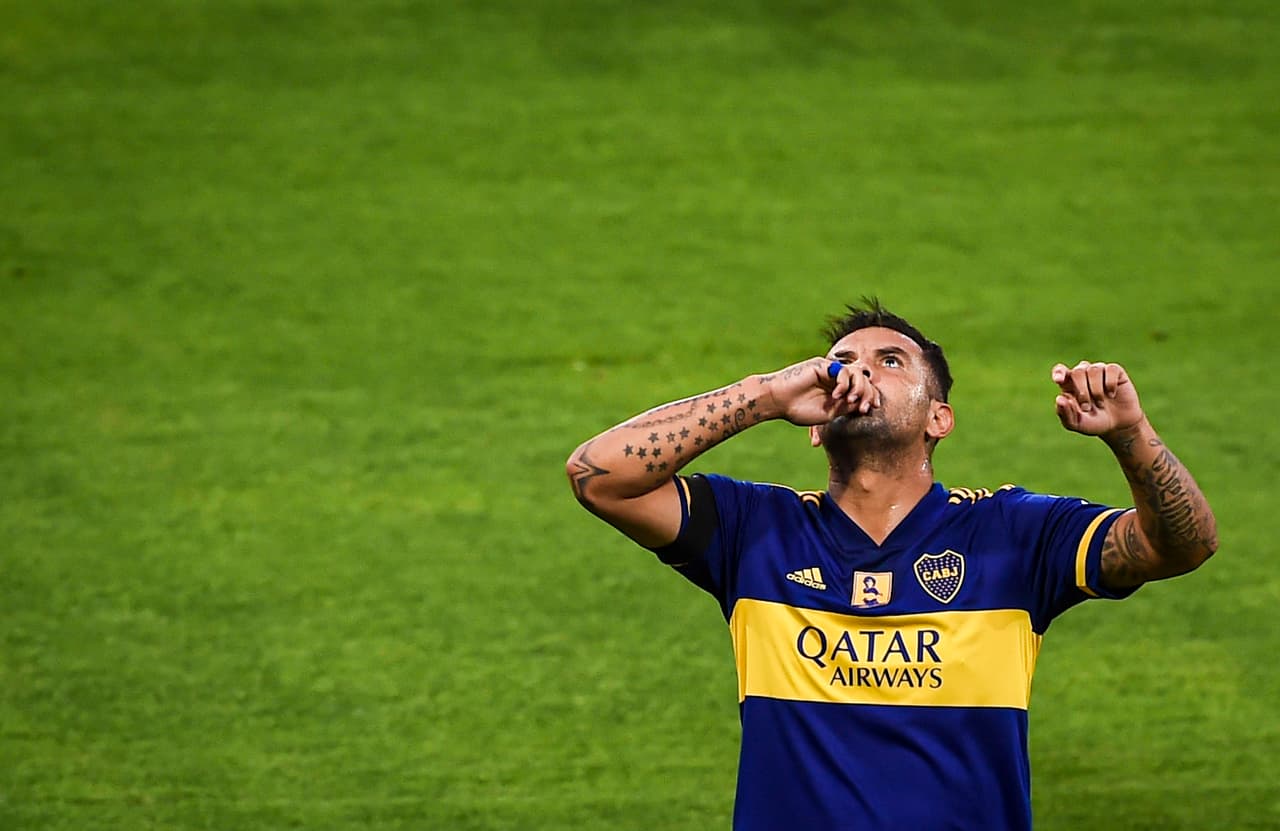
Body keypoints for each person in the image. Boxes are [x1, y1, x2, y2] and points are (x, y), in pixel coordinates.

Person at [565, 298, 1218, 831]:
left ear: (940, 418)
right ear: (816, 424)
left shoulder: (1014, 532)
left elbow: (1183, 545)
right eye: (842, 361)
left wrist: (1130, 434)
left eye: (890, 360)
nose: (860, 370)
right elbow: (598, 475)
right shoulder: (754, 529)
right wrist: (764, 395)